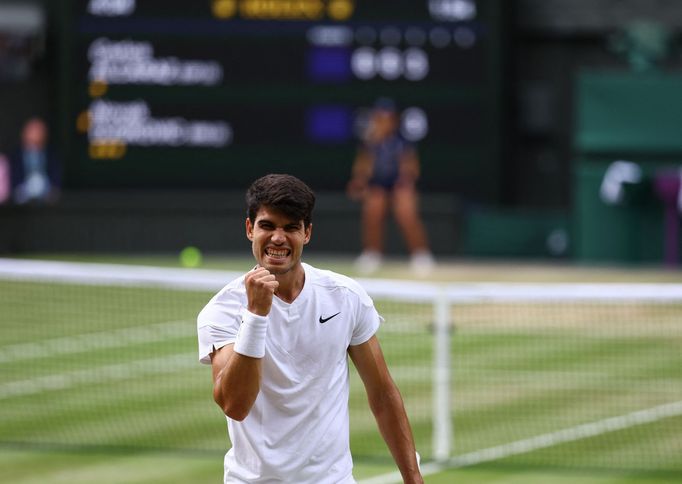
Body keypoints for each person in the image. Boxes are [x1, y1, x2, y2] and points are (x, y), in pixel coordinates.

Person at [197, 174, 423, 484]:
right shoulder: (221, 311)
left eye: (291, 227)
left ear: (307, 234)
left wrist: (413, 478)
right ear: (250, 229)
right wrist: (256, 316)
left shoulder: (345, 296)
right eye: (268, 226)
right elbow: (235, 405)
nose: (278, 238)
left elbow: (383, 394)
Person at [347, 99, 435, 276]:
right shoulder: (369, 142)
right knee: (372, 212)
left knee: (407, 214)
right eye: (379, 117)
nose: (382, 121)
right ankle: (372, 254)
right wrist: (359, 182)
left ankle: (421, 255)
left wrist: (406, 183)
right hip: (377, 184)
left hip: (399, 184)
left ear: (394, 120)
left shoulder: (402, 140)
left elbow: (411, 166)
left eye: (386, 118)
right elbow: (363, 166)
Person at [10, 117, 60, 204]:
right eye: (32, 131)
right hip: (18, 208)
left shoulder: (52, 156)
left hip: (47, 206)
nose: (35, 135)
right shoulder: (14, 157)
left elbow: (56, 183)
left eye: (39, 131)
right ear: (24, 135)